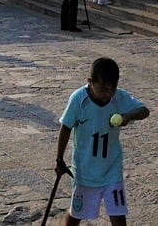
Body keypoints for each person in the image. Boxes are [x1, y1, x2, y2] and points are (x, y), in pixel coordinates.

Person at [54, 56, 149, 225]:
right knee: (76, 214)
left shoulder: (119, 97)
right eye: (103, 89)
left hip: (112, 169)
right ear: (90, 81)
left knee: (118, 215)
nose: (108, 94)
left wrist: (128, 116)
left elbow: (144, 110)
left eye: (112, 89)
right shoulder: (78, 99)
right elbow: (66, 127)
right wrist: (59, 159)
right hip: (85, 171)